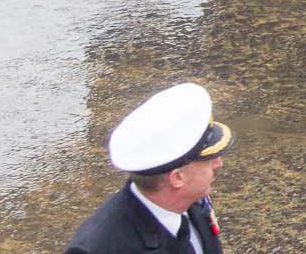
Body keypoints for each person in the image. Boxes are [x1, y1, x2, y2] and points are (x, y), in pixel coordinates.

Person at [65, 82, 232, 254]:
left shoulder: (191, 201)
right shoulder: (99, 248)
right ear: (177, 178)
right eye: (208, 159)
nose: (218, 163)